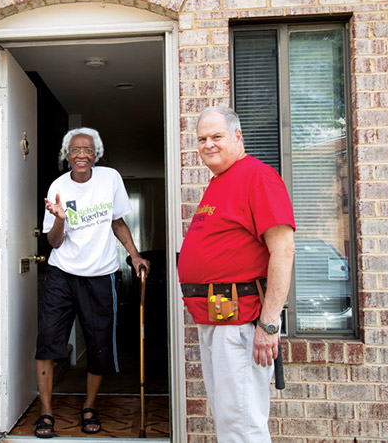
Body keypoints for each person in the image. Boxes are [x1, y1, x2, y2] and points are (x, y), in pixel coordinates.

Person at [177, 106, 296, 442]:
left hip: (241, 323)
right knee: (229, 419)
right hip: (217, 319)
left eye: (216, 136)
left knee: (242, 425)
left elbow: (283, 250)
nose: (208, 145)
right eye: (202, 139)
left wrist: (269, 324)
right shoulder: (220, 182)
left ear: (237, 136)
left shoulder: (257, 177)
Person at [33, 127, 150, 438]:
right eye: (75, 150)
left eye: (87, 150)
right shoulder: (58, 186)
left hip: (101, 274)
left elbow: (117, 221)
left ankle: (89, 406)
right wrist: (59, 217)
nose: (81, 155)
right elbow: (55, 243)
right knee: (47, 340)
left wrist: (135, 255)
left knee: (98, 344)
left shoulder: (110, 179)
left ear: (96, 154)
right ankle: (46, 412)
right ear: (66, 156)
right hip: (62, 274)